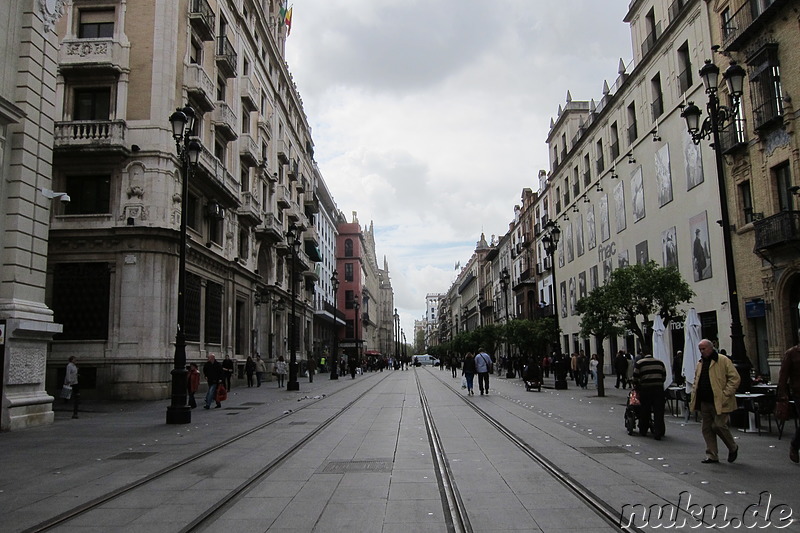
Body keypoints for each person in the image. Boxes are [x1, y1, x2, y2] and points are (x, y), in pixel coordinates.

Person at [690, 339, 740, 464]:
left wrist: (725, 394)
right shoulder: (700, 363)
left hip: (719, 400)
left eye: (704, 348)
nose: (702, 351)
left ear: (711, 348)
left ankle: (732, 446)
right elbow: (697, 380)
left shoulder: (722, 360)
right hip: (704, 400)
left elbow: (735, 378)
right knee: (706, 428)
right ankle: (712, 454)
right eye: (700, 349)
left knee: (718, 425)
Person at [632, 353, 667, 439]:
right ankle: (658, 431)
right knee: (658, 411)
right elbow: (664, 376)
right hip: (658, 389)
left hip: (646, 389)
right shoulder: (660, 363)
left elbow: (635, 377)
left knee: (645, 409)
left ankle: (643, 430)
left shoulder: (640, 363)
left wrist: (637, 385)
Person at [777, 340, 800, 463]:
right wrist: (782, 394)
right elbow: (783, 375)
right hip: (798, 392)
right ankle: (795, 445)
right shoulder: (792, 353)